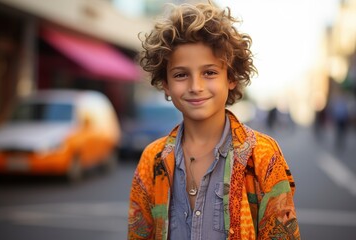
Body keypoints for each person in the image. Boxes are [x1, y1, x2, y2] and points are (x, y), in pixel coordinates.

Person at [128, 2, 300, 239]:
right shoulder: (151, 160)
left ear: (230, 77)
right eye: (181, 75)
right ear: (165, 84)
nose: (196, 87)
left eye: (209, 72)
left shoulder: (263, 156)